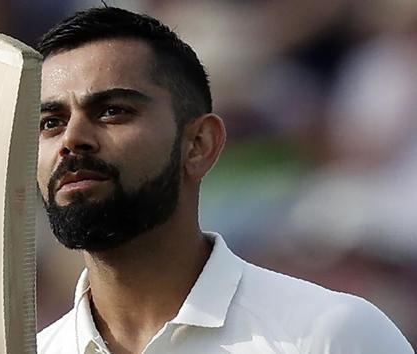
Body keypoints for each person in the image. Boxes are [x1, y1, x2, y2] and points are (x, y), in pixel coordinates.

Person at [34, 6, 414, 354]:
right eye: (51, 122)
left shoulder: (330, 335)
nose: (72, 139)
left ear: (199, 144)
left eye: (113, 111)